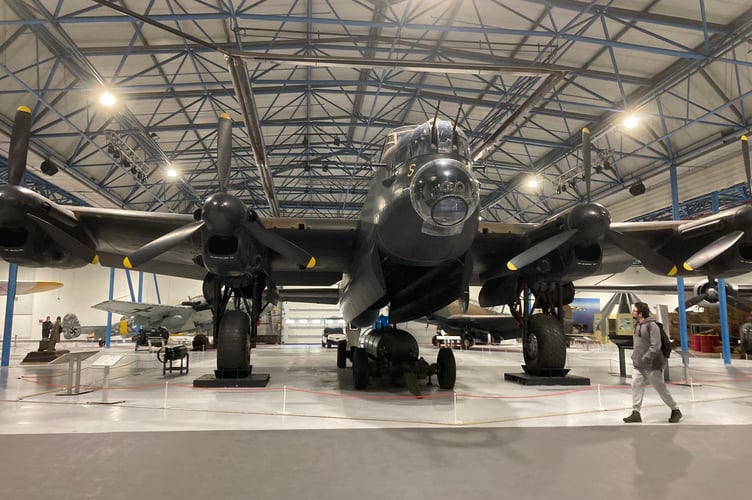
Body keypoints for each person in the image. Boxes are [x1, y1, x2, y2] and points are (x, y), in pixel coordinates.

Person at [623, 302, 682, 423]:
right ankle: (636, 412)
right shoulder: (637, 325)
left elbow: (656, 346)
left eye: (634, 311)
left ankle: (675, 409)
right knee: (636, 386)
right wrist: (635, 357)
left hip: (652, 364)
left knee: (660, 388)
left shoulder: (652, 325)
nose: (632, 312)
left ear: (641, 312)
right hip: (638, 365)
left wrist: (645, 358)